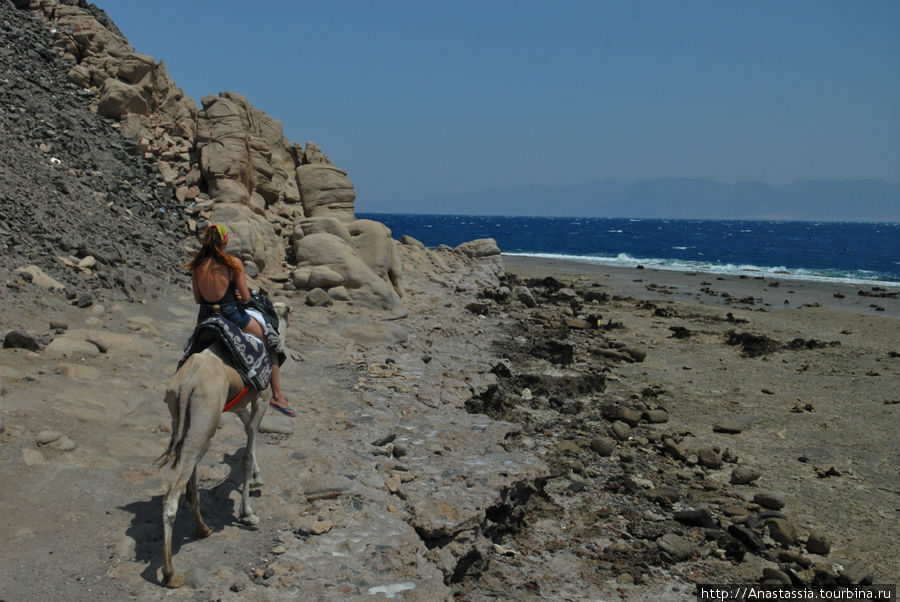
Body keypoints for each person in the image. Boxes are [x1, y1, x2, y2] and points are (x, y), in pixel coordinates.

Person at [185, 224, 295, 417]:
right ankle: (277, 396)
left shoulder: (197, 264)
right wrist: (234, 294)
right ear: (225, 241)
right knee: (271, 344)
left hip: (204, 316)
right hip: (231, 315)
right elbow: (245, 298)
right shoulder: (232, 263)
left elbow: (197, 299)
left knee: (189, 352)